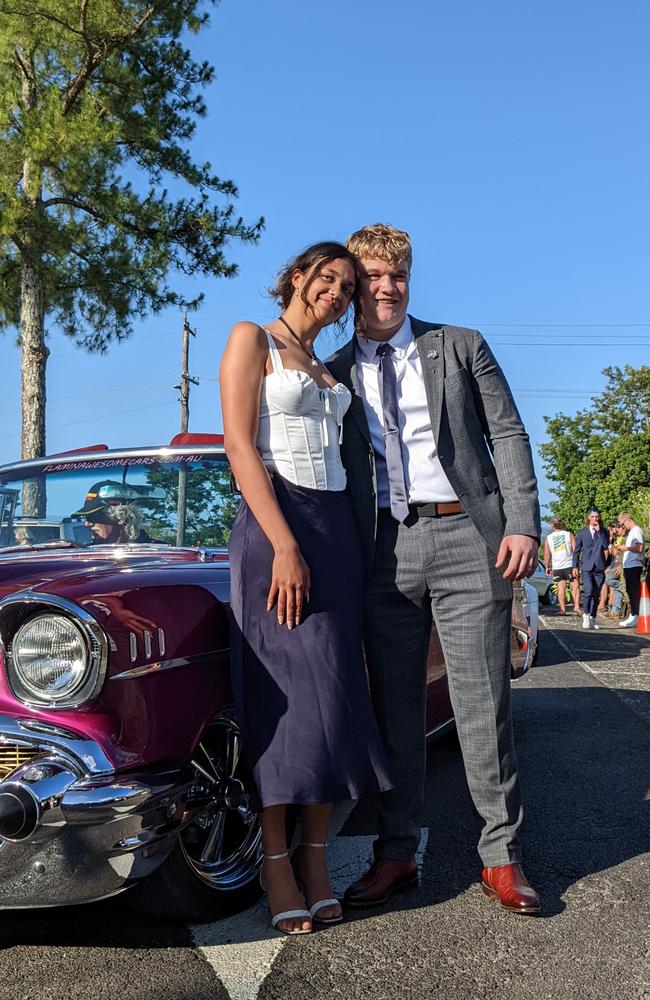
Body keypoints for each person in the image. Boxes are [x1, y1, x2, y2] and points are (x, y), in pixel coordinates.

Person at [326, 223, 541, 916]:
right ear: (354, 283)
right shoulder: (331, 373)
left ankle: (502, 858)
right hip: (384, 551)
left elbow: (506, 431)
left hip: (464, 537)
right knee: (396, 712)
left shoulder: (460, 346)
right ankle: (396, 855)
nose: (387, 288)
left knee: (482, 705)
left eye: (399, 276)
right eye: (375, 276)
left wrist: (521, 522)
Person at [220, 241, 392, 935]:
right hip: (276, 529)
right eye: (328, 279)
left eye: (348, 288)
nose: (337, 294)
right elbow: (238, 445)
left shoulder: (329, 366)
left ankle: (315, 856)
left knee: (340, 697)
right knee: (287, 703)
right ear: (297, 277)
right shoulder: (250, 338)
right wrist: (285, 543)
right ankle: (275, 861)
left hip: (337, 534)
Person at [72, 480, 159, 544]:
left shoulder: (156, 553)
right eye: (86, 518)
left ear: (122, 517)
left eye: (95, 517)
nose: (87, 524)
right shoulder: (86, 556)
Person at [572, 507, 610, 630]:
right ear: (588, 517)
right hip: (586, 566)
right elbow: (577, 551)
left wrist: (599, 532)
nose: (595, 519)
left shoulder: (604, 532)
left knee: (595, 593)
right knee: (588, 591)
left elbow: (605, 547)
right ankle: (586, 615)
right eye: (593, 516)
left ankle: (593, 618)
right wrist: (575, 566)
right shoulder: (582, 532)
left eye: (597, 517)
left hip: (599, 566)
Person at [616, 512, 645, 628]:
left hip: (634, 565)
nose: (623, 527)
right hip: (629, 565)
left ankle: (636, 615)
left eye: (622, 524)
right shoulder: (632, 532)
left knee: (633, 591)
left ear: (628, 520)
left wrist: (626, 548)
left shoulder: (636, 530)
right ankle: (633, 615)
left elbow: (639, 547)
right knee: (630, 591)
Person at [544, 518, 577, 615]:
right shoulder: (569, 534)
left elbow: (546, 553)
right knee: (574, 585)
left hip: (557, 565)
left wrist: (547, 566)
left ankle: (563, 610)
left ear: (552, 525)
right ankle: (577, 607)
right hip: (570, 563)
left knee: (560, 587)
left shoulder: (548, 538)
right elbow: (575, 550)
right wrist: (577, 564)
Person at [601, 522, 623, 619]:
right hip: (611, 565)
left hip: (617, 565)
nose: (616, 530)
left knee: (609, 580)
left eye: (618, 528)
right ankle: (613, 609)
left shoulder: (621, 539)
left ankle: (611, 607)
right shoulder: (610, 539)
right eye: (614, 528)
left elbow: (617, 554)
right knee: (608, 581)